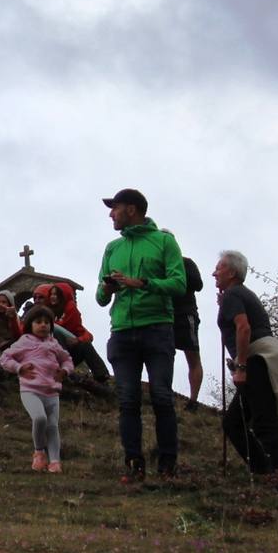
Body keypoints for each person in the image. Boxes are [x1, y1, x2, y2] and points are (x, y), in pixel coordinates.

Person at [97, 188, 186, 482]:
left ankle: (167, 465)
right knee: (128, 400)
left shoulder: (164, 241)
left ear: (132, 210)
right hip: (122, 331)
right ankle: (133, 464)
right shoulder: (112, 248)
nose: (111, 213)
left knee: (161, 396)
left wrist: (141, 283)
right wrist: (109, 288)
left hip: (157, 327)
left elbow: (178, 283)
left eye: (115, 208)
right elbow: (99, 296)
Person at [213, 250, 278, 474]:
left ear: (231, 272)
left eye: (219, 268)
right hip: (262, 358)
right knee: (234, 422)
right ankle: (266, 471)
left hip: (256, 360)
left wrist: (241, 367)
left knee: (264, 423)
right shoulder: (237, 294)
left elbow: (244, 327)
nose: (214, 273)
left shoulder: (232, 295)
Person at [0, 305, 75, 473]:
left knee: (53, 426)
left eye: (47, 322)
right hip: (30, 390)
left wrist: (65, 371)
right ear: (30, 324)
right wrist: (19, 368)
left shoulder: (54, 344)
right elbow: (5, 358)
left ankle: (55, 462)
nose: (43, 325)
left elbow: (67, 360)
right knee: (40, 418)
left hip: (52, 391)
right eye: (38, 322)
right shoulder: (24, 341)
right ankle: (39, 452)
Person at [43, 283, 110, 384]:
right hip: (49, 355)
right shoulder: (45, 313)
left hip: (67, 354)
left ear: (63, 296)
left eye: (56, 294)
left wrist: (78, 340)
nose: (53, 297)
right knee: (55, 329)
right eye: (51, 294)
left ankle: (101, 375)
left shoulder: (71, 312)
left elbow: (88, 335)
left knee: (85, 345)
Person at [173, 254, 205, 410]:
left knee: (192, 354)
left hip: (186, 313)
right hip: (163, 314)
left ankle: (193, 400)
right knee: (163, 354)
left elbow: (198, 284)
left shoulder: (185, 262)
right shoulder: (156, 264)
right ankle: (163, 390)